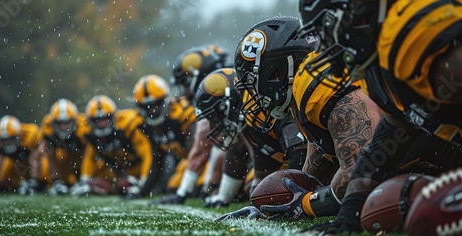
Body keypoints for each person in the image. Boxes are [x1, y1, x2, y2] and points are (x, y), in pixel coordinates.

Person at [297, 0, 462, 234]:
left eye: (325, 30)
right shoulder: (377, 67)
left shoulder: (408, 32)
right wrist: (350, 214)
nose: (321, 48)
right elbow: (384, 146)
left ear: (356, 14)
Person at [216, 15, 382, 221]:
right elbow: (311, 179)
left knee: (385, 204)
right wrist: (267, 210)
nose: (255, 95)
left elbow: (365, 169)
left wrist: (307, 205)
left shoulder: (315, 83)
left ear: (277, 72)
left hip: (427, 165)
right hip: (407, 160)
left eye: (254, 82)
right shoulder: (301, 98)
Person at [194, 68, 308, 207]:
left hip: (323, 165)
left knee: (261, 190)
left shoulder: (271, 108)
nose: (215, 124)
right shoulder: (250, 122)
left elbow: (302, 152)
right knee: (256, 192)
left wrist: (291, 192)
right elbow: (261, 175)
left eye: (216, 116)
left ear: (229, 104)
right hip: (292, 165)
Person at [151, 45, 232, 204]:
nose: (184, 91)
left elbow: (201, 148)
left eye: (186, 84)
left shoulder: (223, 94)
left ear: (199, 77)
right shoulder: (225, 90)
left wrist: (183, 193)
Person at [70, 95, 152, 196]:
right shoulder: (91, 135)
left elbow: (148, 155)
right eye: (97, 120)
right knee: (101, 175)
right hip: (118, 171)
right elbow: (90, 158)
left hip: (137, 167)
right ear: (90, 121)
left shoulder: (126, 128)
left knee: (123, 185)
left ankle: (141, 183)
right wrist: (84, 180)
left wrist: (144, 181)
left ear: (113, 117)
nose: (102, 124)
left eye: (105, 119)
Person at [0, 115, 47, 195]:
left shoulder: (30, 136)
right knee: (4, 177)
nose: (7, 143)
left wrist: (34, 182)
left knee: (37, 157)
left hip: (29, 165)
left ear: (18, 136)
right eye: (5, 140)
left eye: (10, 139)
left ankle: (34, 183)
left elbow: (36, 156)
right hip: (14, 164)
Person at [40, 98, 88, 195]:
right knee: (44, 170)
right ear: (53, 122)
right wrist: (56, 180)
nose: (63, 127)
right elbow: (50, 153)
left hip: (81, 158)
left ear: (74, 121)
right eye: (59, 123)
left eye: (67, 123)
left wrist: (83, 177)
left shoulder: (83, 127)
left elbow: (88, 153)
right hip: (63, 158)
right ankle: (57, 182)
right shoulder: (48, 128)